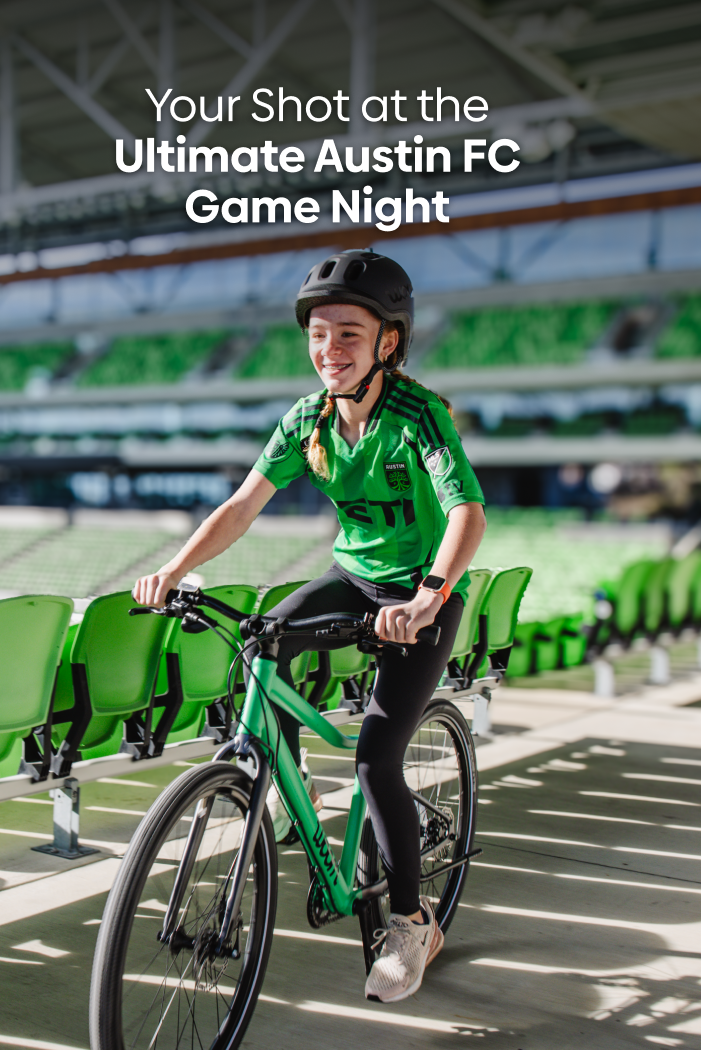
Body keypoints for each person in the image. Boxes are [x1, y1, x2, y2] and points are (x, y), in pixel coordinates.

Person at [133, 249, 486, 1003]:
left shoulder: (418, 415)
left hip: (420, 593)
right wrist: (174, 568)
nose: (329, 350)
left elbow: (467, 513)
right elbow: (241, 506)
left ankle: (410, 921)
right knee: (262, 638)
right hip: (353, 579)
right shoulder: (307, 420)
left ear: (389, 341)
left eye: (349, 334)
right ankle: (287, 785)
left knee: (376, 759)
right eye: (318, 335)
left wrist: (429, 597)